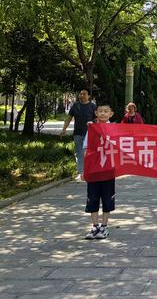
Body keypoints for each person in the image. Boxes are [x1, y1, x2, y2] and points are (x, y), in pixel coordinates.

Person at [81, 103, 115, 240]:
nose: (102, 113)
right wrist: (85, 170)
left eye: (105, 111)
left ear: (111, 114)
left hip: (108, 171)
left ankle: (104, 226)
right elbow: (86, 149)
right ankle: (95, 226)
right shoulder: (92, 129)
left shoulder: (115, 129)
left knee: (107, 199)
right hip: (94, 171)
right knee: (92, 199)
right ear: (96, 113)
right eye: (100, 111)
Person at [61, 90, 96, 179]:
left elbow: (97, 120)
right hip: (78, 133)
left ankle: (90, 171)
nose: (82, 95)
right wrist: (64, 129)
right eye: (80, 93)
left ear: (88, 96)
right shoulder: (75, 106)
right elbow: (69, 118)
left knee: (89, 153)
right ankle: (81, 172)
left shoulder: (92, 106)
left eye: (84, 94)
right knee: (79, 153)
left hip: (90, 134)